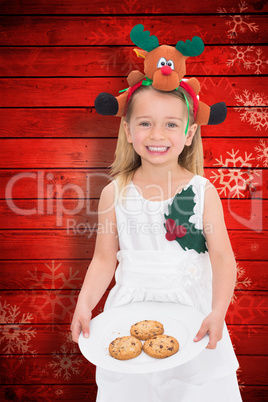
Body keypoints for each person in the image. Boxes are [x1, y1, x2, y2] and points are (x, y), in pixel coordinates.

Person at [71, 82, 243, 401]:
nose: (157, 135)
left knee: (197, 390)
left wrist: (218, 311)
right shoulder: (114, 193)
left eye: (171, 124)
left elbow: (222, 258)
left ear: (189, 134)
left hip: (192, 310)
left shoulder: (203, 191)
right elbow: (104, 260)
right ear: (127, 130)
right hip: (128, 309)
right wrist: (84, 303)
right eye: (145, 123)